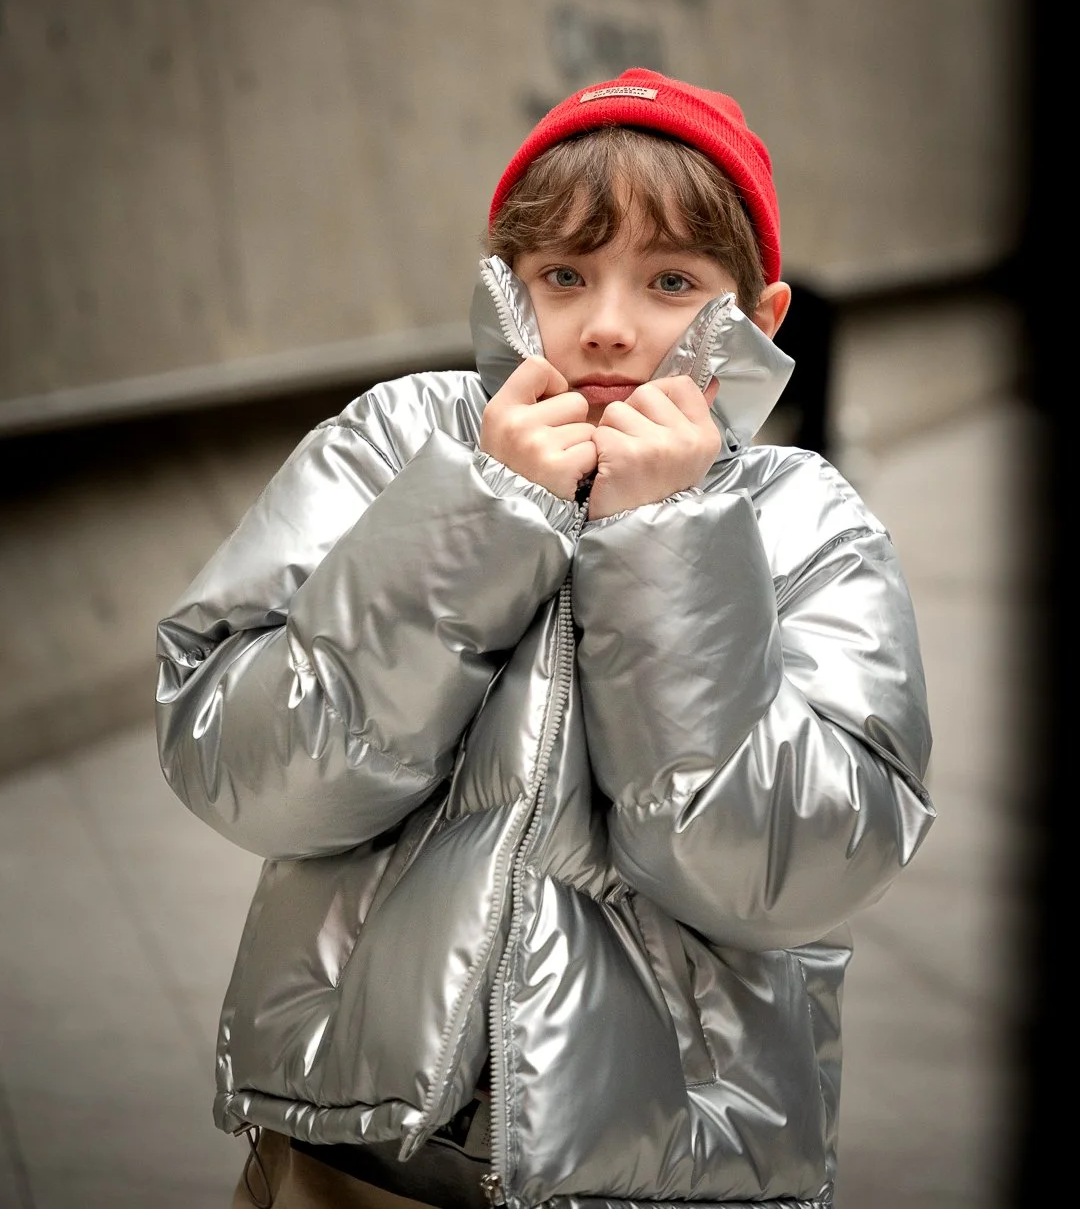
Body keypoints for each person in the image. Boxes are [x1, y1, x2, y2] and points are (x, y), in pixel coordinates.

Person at [155, 67, 935, 1209]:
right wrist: (480, 517)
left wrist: (668, 541)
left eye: (672, 281)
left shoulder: (805, 521)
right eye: (563, 274)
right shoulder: (396, 447)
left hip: (667, 1172)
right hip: (345, 1154)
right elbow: (247, 770)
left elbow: (794, 871)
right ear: (506, 290)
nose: (609, 328)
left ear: (756, 319)